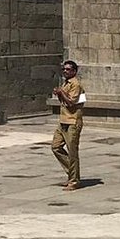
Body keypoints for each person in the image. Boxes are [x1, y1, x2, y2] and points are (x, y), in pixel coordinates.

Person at [50, 60, 86, 191]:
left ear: (74, 71)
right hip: (63, 120)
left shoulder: (76, 84)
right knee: (55, 146)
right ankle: (72, 174)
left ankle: (74, 180)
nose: (65, 71)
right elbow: (65, 100)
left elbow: (71, 102)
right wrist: (59, 92)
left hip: (73, 121)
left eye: (68, 69)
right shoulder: (66, 83)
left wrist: (61, 93)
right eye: (64, 69)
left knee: (72, 152)